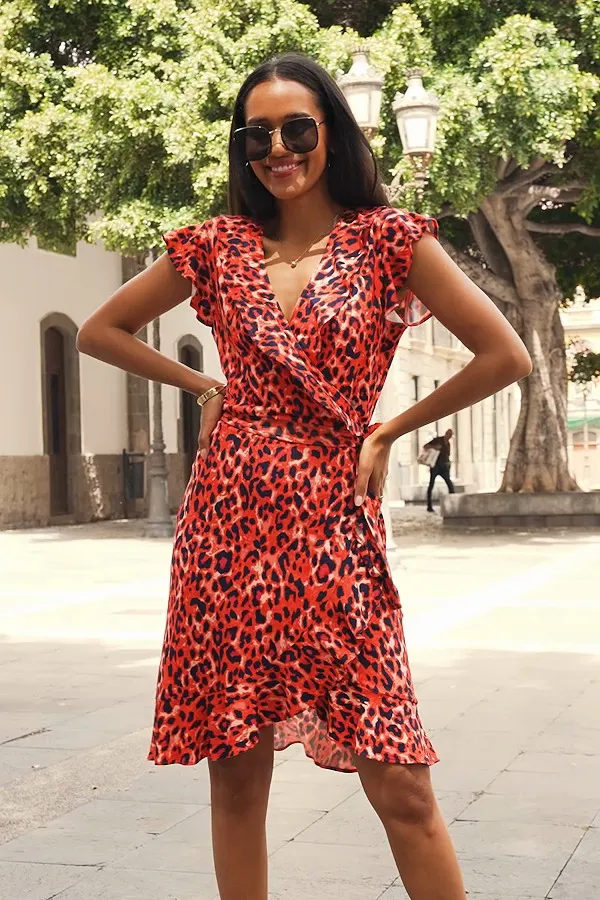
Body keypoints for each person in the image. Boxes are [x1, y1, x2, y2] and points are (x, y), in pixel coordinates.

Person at [77, 52, 531, 900]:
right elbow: (98, 332)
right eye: (259, 135)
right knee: (236, 776)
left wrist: (391, 427)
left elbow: (505, 354)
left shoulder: (391, 239)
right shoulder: (216, 247)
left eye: (297, 128)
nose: (278, 148)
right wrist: (202, 383)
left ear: (332, 132)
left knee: (400, 781)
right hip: (228, 523)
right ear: (242, 148)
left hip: (331, 521)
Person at [424, 428, 455, 512]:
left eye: (450, 435)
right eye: (448, 434)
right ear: (445, 433)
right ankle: (429, 506)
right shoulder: (437, 440)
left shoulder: (448, 444)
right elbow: (425, 446)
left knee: (450, 484)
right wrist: (435, 447)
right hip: (435, 466)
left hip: (444, 467)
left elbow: (447, 455)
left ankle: (453, 503)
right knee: (431, 485)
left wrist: (448, 465)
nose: (448, 436)